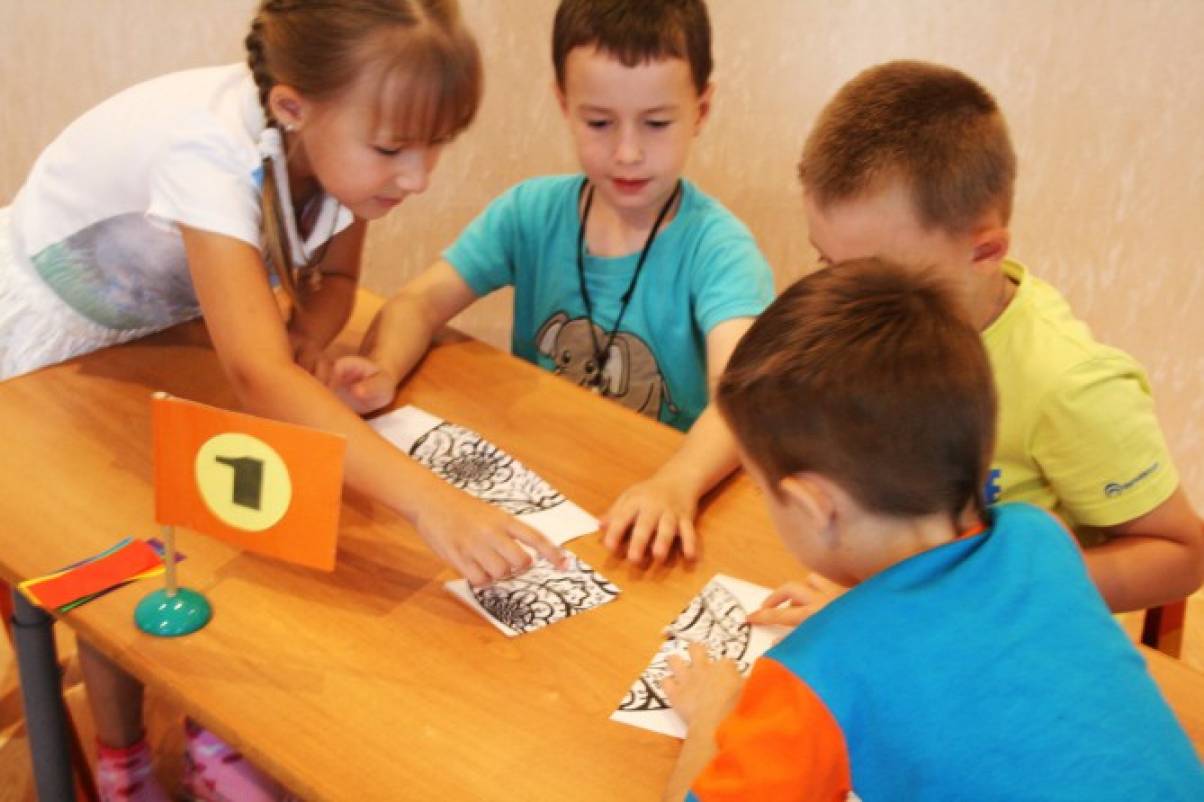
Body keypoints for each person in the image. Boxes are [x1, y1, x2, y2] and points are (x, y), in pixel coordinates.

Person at [2, 2, 561, 799]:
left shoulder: (329, 146)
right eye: (393, 149)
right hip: (47, 348)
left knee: (216, 515)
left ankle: (214, 733)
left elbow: (334, 282)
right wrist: (434, 503)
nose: (419, 177)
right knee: (110, 549)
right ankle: (125, 762)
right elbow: (260, 377)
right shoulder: (207, 150)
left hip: (164, 328)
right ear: (293, 108)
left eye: (438, 143)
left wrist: (308, 341)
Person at [663, 258, 1204, 801]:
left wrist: (713, 716)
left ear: (814, 504)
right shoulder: (1040, 536)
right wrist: (862, 618)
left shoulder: (811, 680)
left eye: (762, 491)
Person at [749, 60, 1202, 627]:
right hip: (903, 612)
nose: (845, 301)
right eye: (827, 263)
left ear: (985, 251)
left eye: (875, 277)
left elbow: (1183, 556)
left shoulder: (1068, 384)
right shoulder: (871, 327)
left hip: (1007, 635)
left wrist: (994, 586)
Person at [330, 0, 775, 564]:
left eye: (657, 123)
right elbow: (419, 302)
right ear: (563, 104)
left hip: (651, 505)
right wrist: (384, 368)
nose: (628, 152)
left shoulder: (719, 250)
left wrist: (677, 482)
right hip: (543, 489)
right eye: (599, 123)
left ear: (701, 110)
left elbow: (743, 399)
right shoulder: (531, 212)